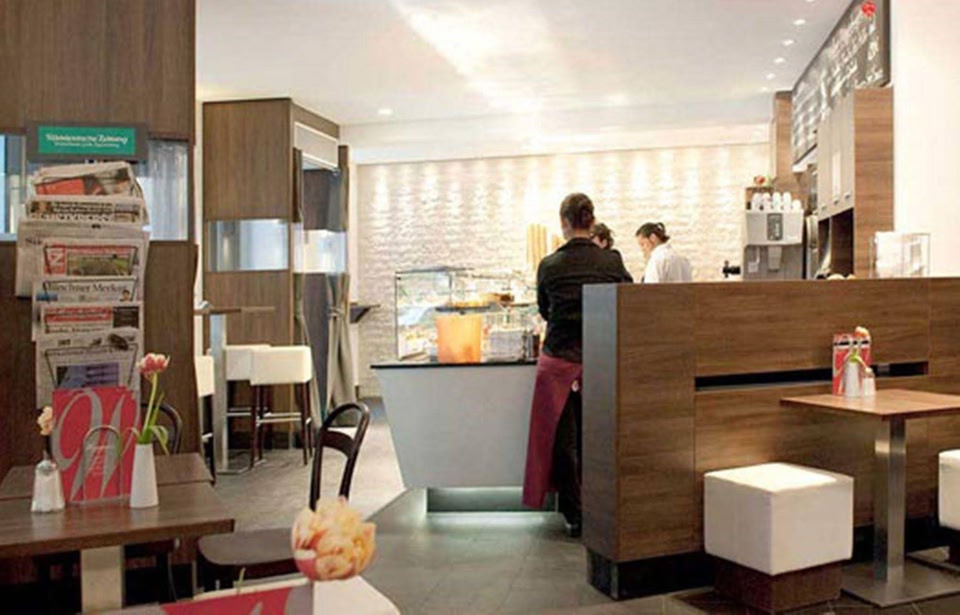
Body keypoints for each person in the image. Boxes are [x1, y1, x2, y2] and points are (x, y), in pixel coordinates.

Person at [522, 193, 633, 537]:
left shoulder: (550, 265)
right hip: (600, 361)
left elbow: (544, 310)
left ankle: (574, 513)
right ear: (592, 221)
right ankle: (603, 508)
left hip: (558, 360)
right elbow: (629, 302)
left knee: (562, 442)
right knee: (599, 440)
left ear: (564, 223)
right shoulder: (611, 262)